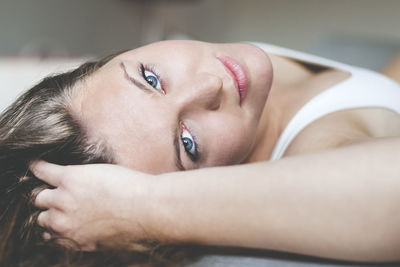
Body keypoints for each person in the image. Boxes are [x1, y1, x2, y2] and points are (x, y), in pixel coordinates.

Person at [1, 40, 400, 266]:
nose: (211, 84)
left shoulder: (219, 69)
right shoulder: (318, 146)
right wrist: (141, 208)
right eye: (188, 144)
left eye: (151, 78)